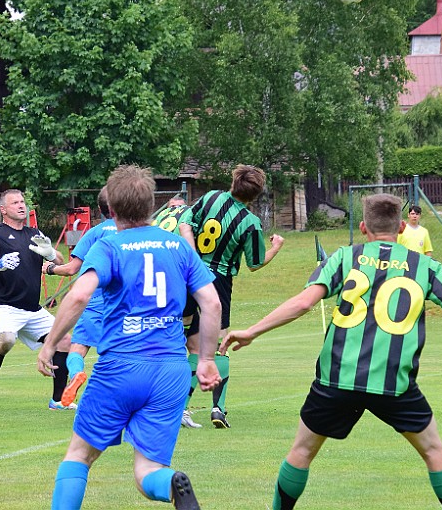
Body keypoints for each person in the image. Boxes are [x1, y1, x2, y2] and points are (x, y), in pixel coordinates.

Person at [220, 193, 442, 510]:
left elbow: (303, 302)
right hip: (393, 384)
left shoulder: (345, 257)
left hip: (336, 380)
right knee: (434, 452)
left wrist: (251, 330)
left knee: (301, 452)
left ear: (362, 227)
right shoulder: (425, 266)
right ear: (401, 227)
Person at [37, 165, 223, 510]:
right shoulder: (179, 247)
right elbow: (211, 302)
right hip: (170, 371)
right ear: (152, 205)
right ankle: (171, 483)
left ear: (111, 209)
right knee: (148, 470)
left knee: (79, 455)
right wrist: (207, 360)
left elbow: (78, 296)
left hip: (120, 367)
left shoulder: (109, 246)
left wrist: (49, 344)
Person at [178, 164, 284, 428]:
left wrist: (194, 260)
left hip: (188, 273)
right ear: (256, 195)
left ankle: (179, 408)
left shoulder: (212, 197)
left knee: (187, 343)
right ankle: (217, 409)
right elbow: (256, 263)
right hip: (218, 281)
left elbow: (184, 223)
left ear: (233, 181)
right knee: (220, 344)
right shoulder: (250, 223)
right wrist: (277, 247)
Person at [0, 189, 72, 414]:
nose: (21, 206)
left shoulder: (34, 233)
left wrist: (51, 253)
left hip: (31, 308)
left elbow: (61, 261)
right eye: (15, 203)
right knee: (6, 339)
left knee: (64, 341)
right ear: (3, 210)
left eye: (23, 202)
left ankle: (58, 400)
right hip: (1, 304)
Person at [42, 186, 117, 407]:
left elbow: (72, 268)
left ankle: (75, 375)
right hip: (123, 302)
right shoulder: (134, 232)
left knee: (78, 347)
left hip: (94, 300)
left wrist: (49, 269)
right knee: (117, 351)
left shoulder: (95, 233)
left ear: (101, 210)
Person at [153, 195, 203, 429]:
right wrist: (195, 266)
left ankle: (177, 406)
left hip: (156, 282)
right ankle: (172, 407)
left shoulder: (160, 217)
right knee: (182, 347)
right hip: (181, 281)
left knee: (191, 346)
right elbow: (187, 236)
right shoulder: (189, 214)